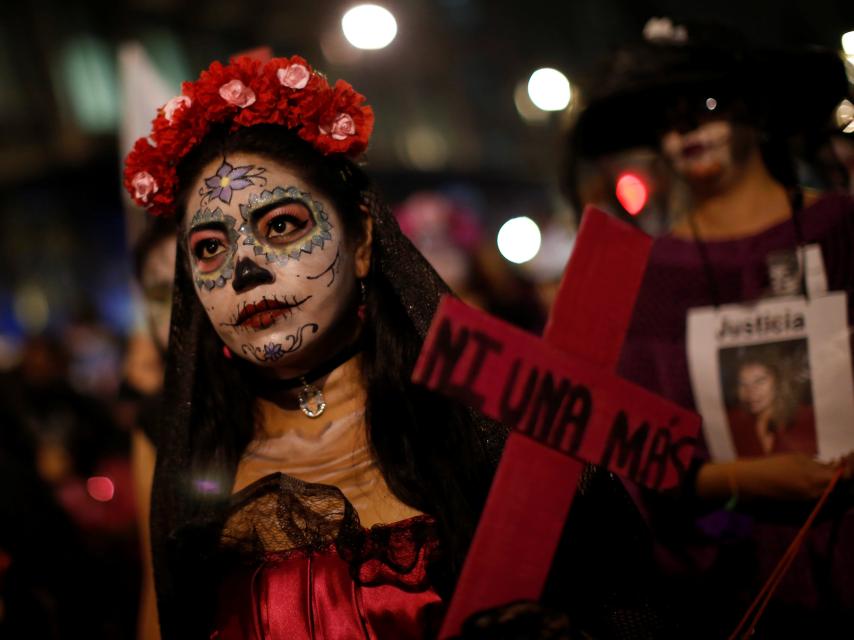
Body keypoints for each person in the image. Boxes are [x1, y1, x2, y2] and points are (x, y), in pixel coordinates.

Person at [124, 54, 670, 639]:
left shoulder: (486, 425)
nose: (244, 270)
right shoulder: (192, 470)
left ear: (361, 239)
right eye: (209, 248)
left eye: (281, 226)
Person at [564, 19, 854, 638]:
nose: (688, 128)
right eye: (667, 118)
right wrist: (740, 479)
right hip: (728, 589)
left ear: (754, 112)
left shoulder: (842, 229)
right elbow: (630, 442)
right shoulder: (647, 275)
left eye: (709, 105)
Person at [727, 350, 816, 458]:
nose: (750, 391)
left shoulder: (808, 417)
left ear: (778, 380)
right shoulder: (733, 421)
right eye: (743, 384)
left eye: (759, 381)